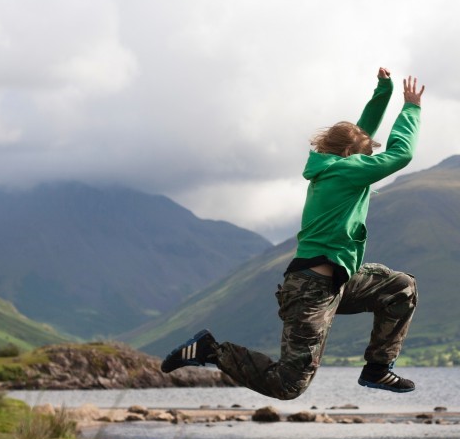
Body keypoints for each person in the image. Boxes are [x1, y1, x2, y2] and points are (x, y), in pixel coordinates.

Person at [161, 67, 425, 400]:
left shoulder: (335, 164)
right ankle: (211, 350)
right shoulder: (345, 171)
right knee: (288, 385)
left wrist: (383, 92)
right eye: (367, 154)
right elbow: (402, 154)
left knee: (401, 287)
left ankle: (377, 369)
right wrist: (411, 108)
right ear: (351, 156)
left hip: (340, 281)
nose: (370, 159)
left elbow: (360, 133)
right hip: (310, 290)